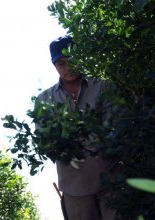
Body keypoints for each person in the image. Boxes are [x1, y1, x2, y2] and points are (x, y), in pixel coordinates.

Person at [37, 36, 115, 220]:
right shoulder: (44, 100)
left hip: (111, 178)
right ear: (54, 65)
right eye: (61, 63)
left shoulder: (103, 86)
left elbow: (115, 125)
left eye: (71, 60)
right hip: (73, 186)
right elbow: (45, 141)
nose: (67, 67)